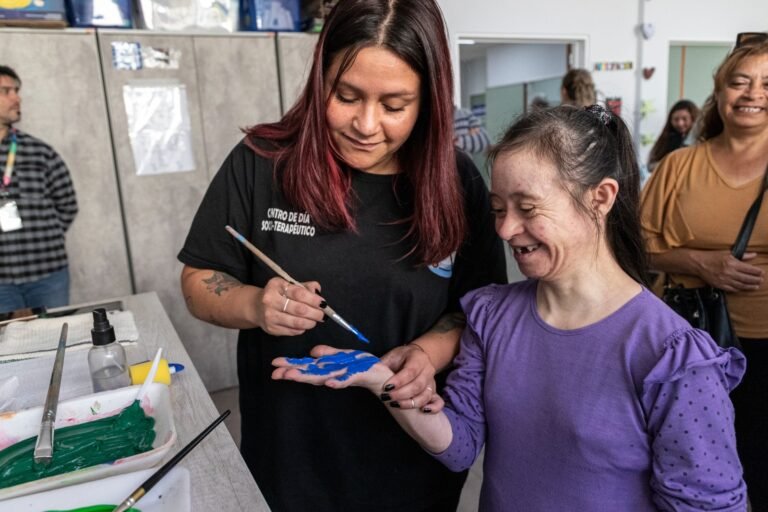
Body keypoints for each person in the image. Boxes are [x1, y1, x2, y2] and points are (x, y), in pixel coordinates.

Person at [274, 105, 748, 511]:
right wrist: (382, 381)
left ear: (600, 198)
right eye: (499, 209)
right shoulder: (492, 316)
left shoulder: (673, 356)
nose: (504, 230)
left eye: (528, 207)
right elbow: (459, 444)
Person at [177, 0, 507, 510]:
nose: (366, 124)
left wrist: (426, 354)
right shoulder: (262, 163)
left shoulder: (456, 180)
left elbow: (479, 311)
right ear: (320, 79)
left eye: (395, 106)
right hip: (290, 457)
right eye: (346, 96)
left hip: (410, 457)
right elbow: (200, 278)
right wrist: (254, 304)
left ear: (429, 101)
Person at [640, 34, 768, 510]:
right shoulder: (679, 166)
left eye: (767, 84)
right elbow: (634, 247)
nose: (753, 94)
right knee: (688, 467)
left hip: (766, 345)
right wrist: (699, 262)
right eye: (741, 81)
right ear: (719, 90)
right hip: (691, 341)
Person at [0, 65, 78, 314]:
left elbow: (67, 204)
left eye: (17, 90)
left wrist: (45, 237)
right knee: (6, 340)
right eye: (6, 91)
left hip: (47, 274)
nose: (17, 98)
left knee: (55, 332)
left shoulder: (39, 152)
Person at [647, 99, 700, 171]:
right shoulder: (666, 139)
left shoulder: (699, 140)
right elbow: (650, 165)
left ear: (693, 119)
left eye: (684, 119)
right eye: (676, 119)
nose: (680, 123)